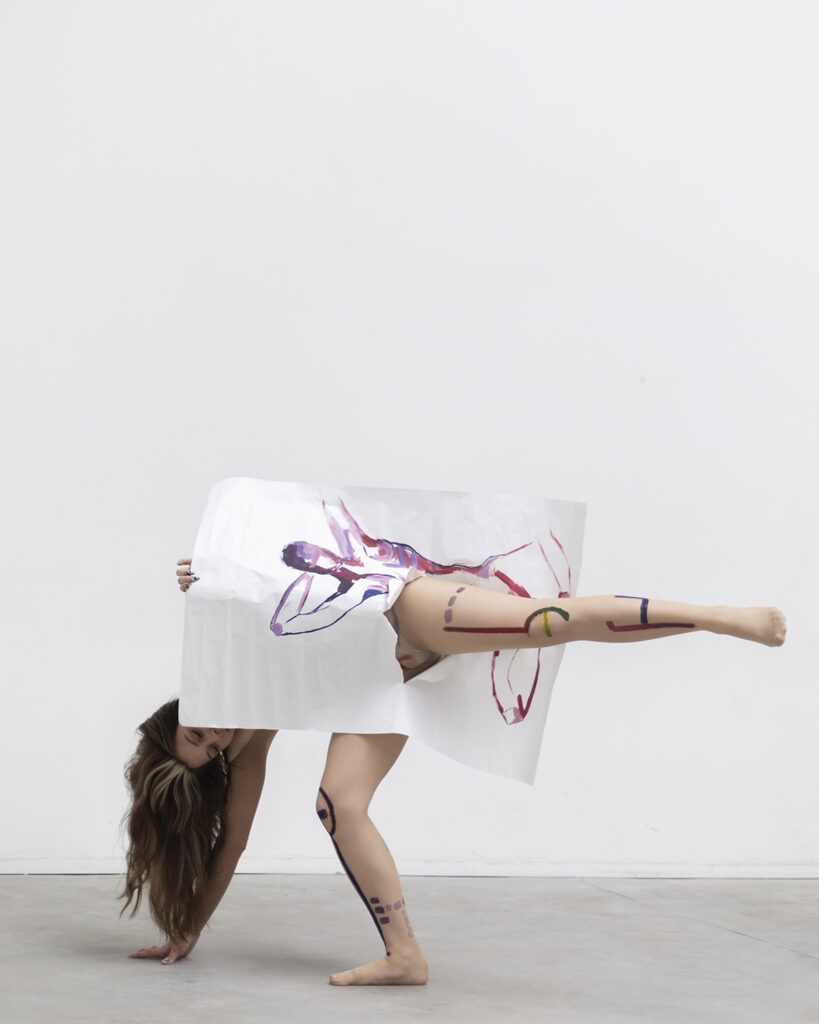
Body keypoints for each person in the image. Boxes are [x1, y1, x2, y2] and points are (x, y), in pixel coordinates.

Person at [122, 558, 786, 986]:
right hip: (381, 681)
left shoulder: (225, 651)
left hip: (398, 612)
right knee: (337, 804)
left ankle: (716, 618)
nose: (217, 738)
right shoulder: (245, 749)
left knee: (544, 622)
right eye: (210, 751)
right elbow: (232, 845)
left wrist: (210, 573)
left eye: (198, 733)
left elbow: (272, 559)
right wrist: (190, 927)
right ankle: (404, 956)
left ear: (178, 712)